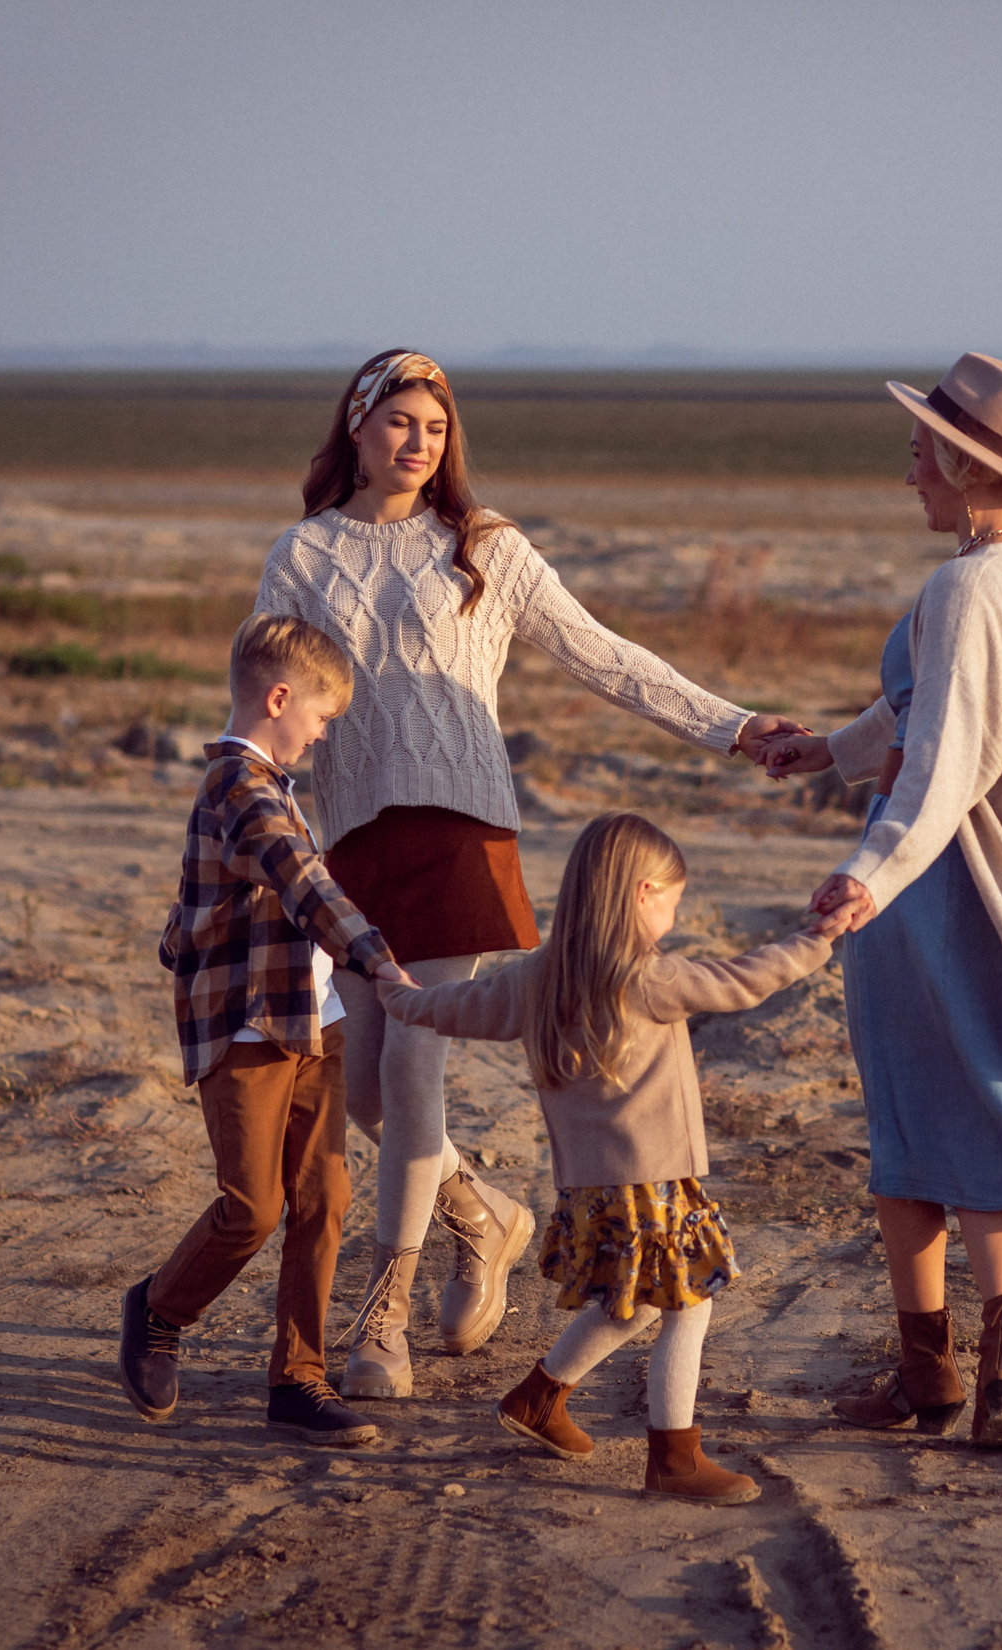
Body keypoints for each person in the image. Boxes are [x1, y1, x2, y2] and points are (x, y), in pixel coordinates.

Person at [255, 350, 802, 1401]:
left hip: (462, 828)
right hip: (352, 837)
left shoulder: (482, 545)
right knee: (365, 1089)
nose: (419, 443)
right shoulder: (304, 552)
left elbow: (600, 653)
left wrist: (732, 728)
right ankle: (486, 1217)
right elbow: (270, 685)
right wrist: (250, 817)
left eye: (436, 427)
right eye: (400, 422)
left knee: (411, 1067)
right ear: (358, 428)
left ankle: (386, 1316)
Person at [761, 353, 1002, 1450]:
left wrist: (869, 876)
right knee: (978, 1129)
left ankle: (927, 1375)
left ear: (957, 460)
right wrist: (826, 751)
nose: (908, 480)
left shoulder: (963, 586)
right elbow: (920, 711)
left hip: (933, 889)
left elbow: (946, 761)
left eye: (915, 457)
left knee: (911, 1133)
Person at [375, 812, 841, 1504]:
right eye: (672, 906)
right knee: (688, 1306)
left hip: (592, 1189)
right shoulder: (647, 978)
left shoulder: (535, 978)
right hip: (650, 1183)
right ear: (642, 894)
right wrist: (818, 938)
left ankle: (538, 1398)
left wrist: (402, 997)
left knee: (636, 1304)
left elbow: (460, 1006)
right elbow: (745, 979)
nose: (674, 924)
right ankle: (675, 1459)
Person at [120, 614, 416, 1446]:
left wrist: (189, 930)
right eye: (320, 719)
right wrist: (378, 962)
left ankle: (299, 1381)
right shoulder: (241, 789)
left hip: (313, 1023)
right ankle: (158, 1309)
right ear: (279, 698)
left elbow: (208, 907)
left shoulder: (266, 788)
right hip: (250, 1029)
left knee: (325, 1198)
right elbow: (302, 881)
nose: (322, 736)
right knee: (252, 1208)